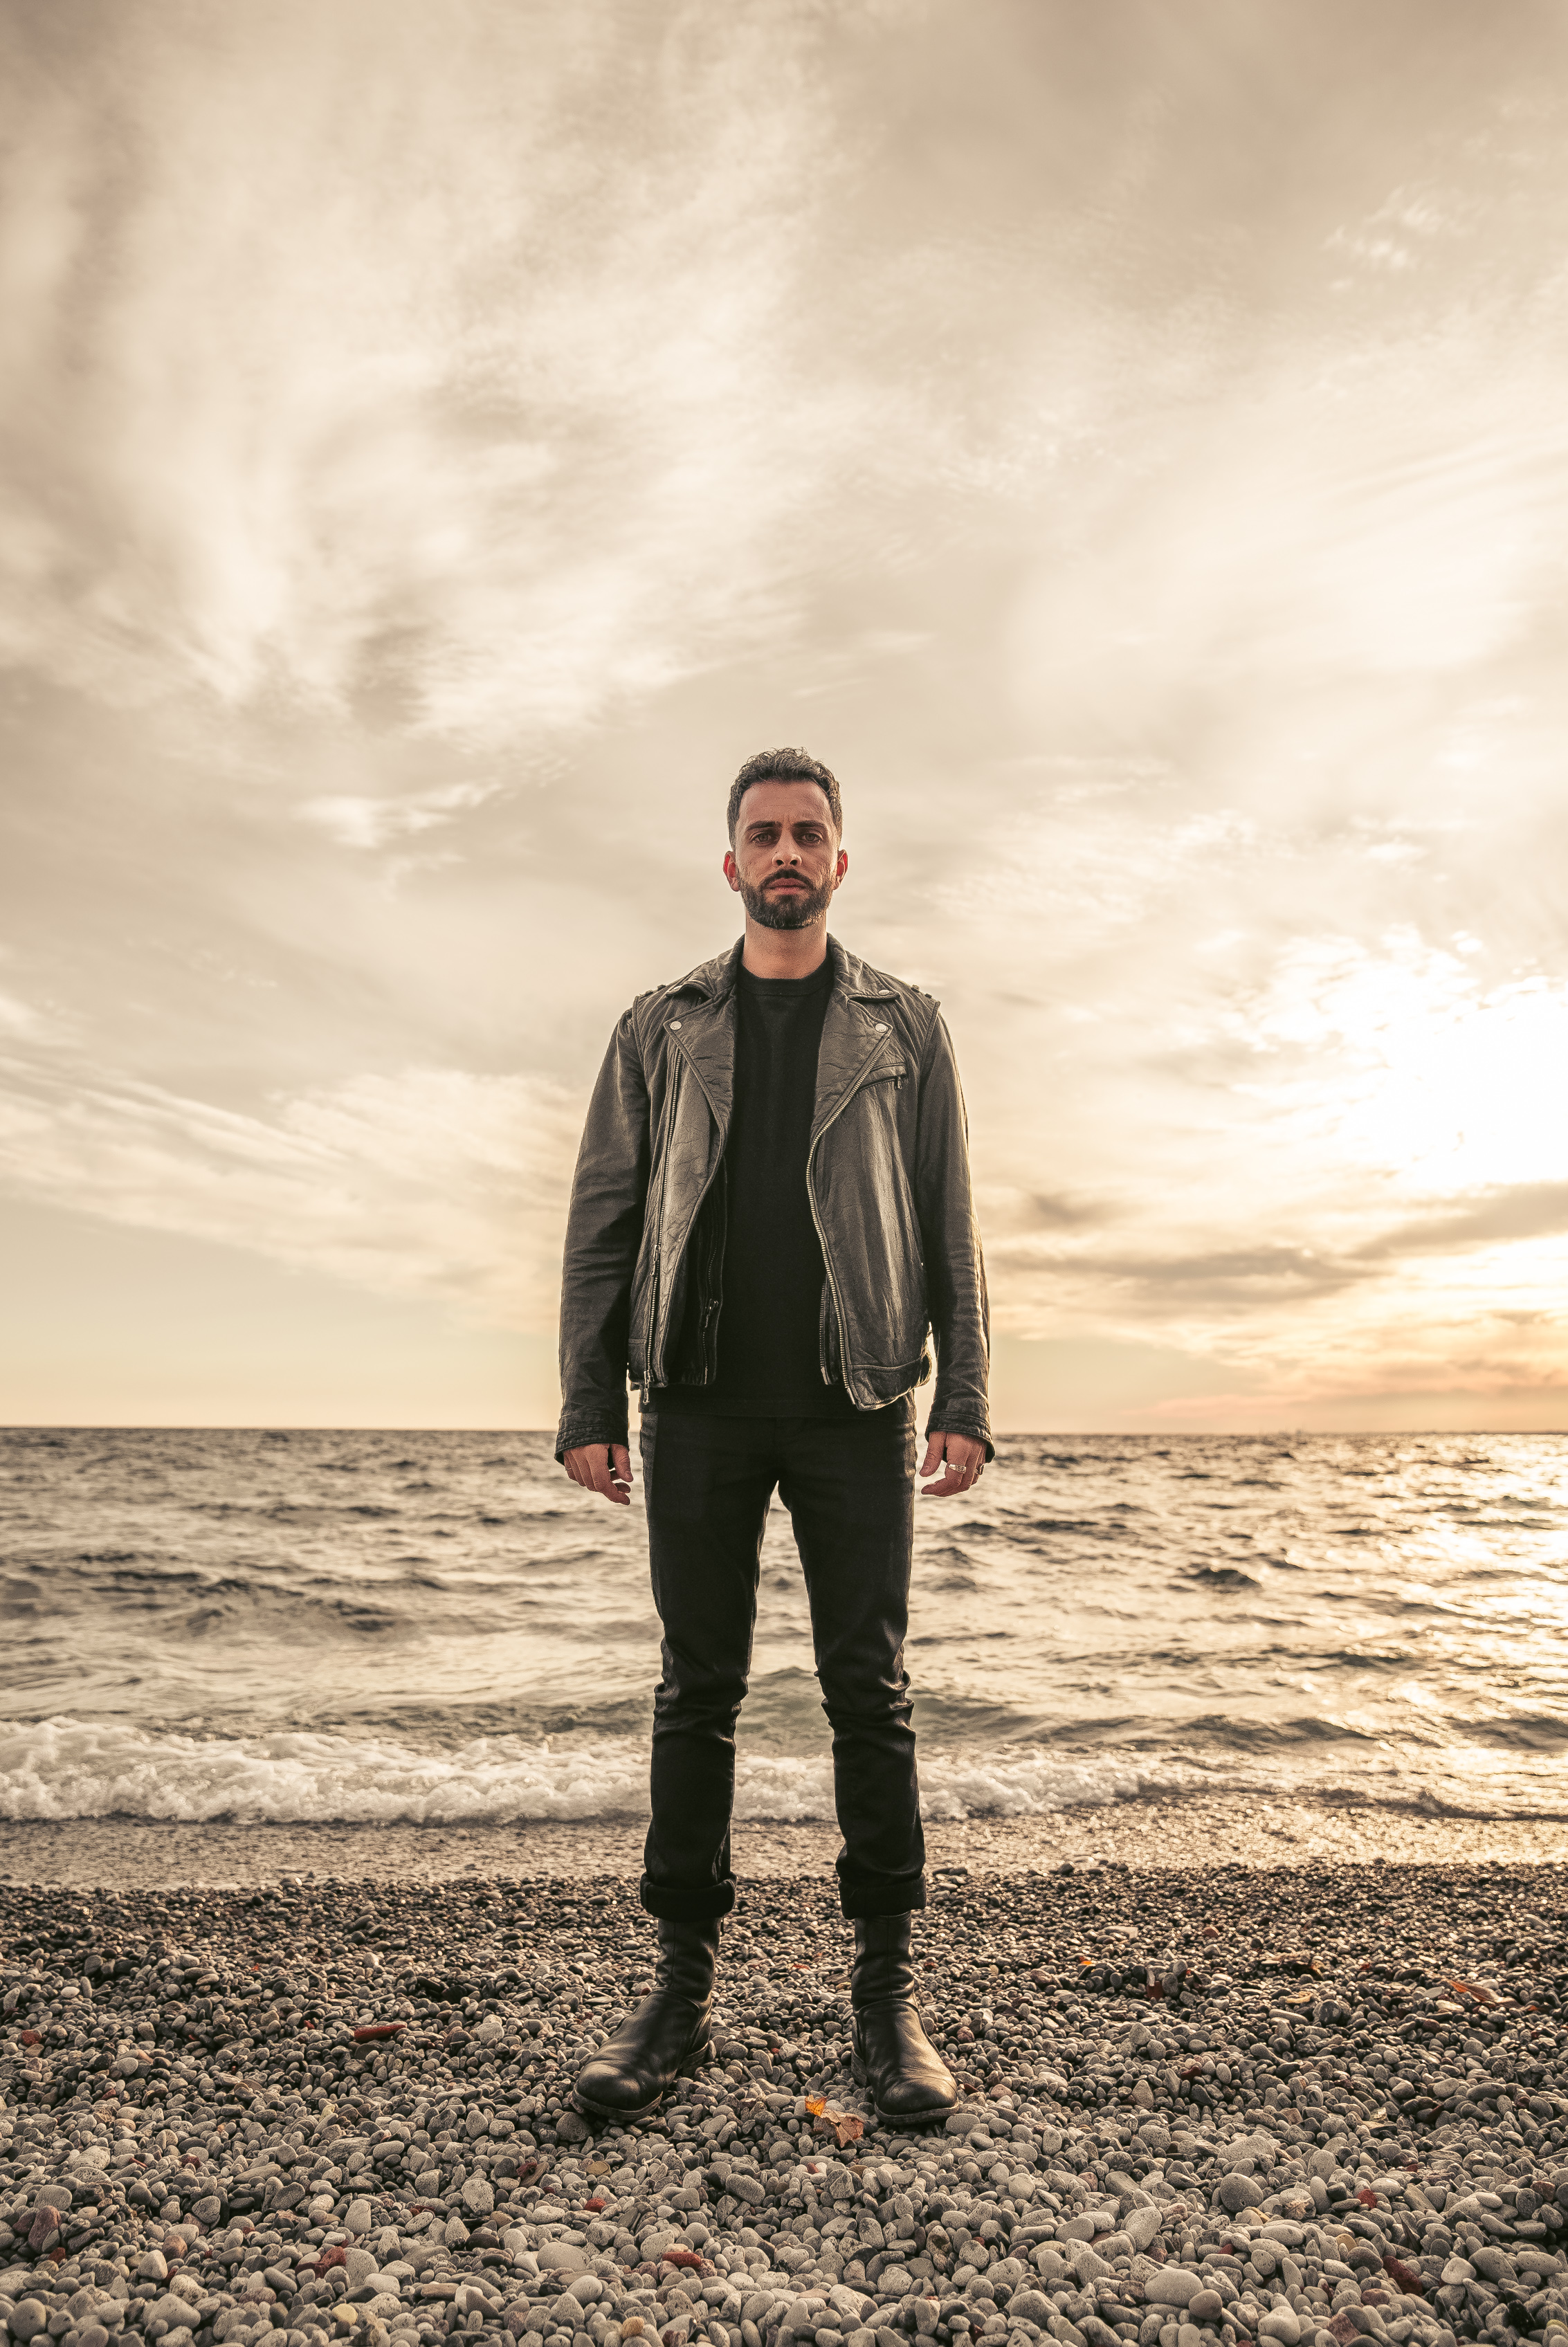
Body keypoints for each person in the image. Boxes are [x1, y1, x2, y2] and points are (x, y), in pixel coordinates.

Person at [555, 746, 992, 2129]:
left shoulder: (904, 1027)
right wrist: (585, 1401)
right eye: (764, 834)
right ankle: (677, 1994)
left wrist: (965, 1392)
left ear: (840, 861)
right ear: (730, 862)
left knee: (870, 1692)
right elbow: (603, 1220)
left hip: (856, 1398)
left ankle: (885, 2000)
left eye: (808, 832)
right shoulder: (659, 1026)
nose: (787, 851)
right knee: (698, 1691)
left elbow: (947, 1222)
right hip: (690, 1397)